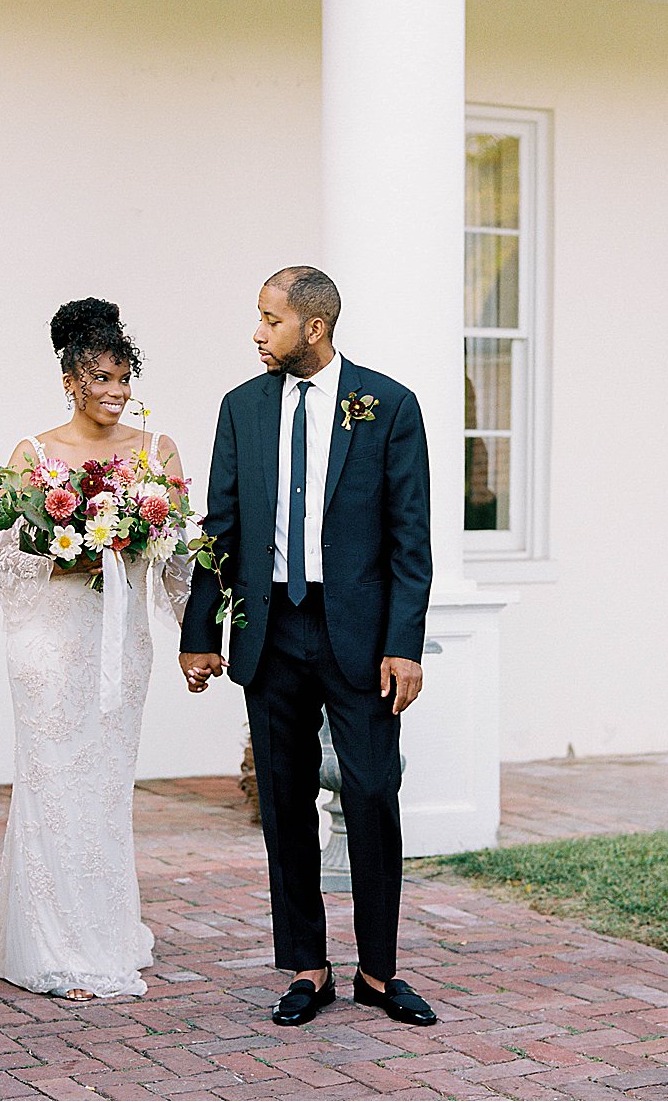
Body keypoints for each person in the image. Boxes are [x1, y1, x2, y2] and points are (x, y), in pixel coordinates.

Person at [179, 266, 437, 1027]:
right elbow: (218, 528)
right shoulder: (241, 408)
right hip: (270, 632)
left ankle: (379, 973)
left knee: (371, 796)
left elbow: (409, 538)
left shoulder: (387, 405)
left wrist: (404, 644)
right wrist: (200, 632)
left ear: (313, 326)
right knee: (284, 804)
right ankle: (306, 967)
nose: (257, 332)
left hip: (357, 635)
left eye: (269, 319)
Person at [0, 298, 188, 1000]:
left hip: (118, 639)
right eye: (101, 377)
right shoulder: (33, 455)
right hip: (47, 641)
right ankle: (55, 949)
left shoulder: (154, 449)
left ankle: (102, 930)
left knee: (103, 783)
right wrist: (71, 557)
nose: (115, 391)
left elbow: (175, 555)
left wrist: (198, 637)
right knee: (52, 780)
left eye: (124, 377)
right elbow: (9, 560)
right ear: (71, 379)